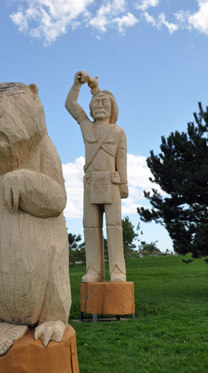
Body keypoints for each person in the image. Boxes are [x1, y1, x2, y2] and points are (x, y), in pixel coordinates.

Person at [65, 71, 128, 282]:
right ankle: (94, 270)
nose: (99, 105)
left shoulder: (117, 131)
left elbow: (122, 158)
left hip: (111, 181)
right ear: (90, 108)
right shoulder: (87, 128)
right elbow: (70, 105)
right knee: (90, 227)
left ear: (113, 108)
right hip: (90, 182)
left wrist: (124, 183)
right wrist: (78, 85)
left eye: (104, 103)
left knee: (114, 227)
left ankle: (117, 270)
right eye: (96, 103)